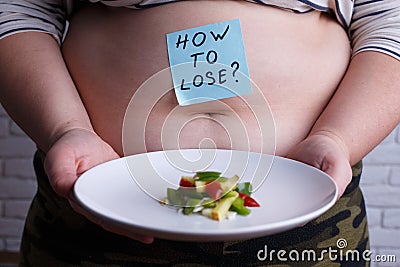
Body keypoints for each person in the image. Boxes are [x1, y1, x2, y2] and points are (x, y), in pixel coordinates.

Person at [0, 0, 399, 266]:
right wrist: (65, 129)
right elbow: (18, 10)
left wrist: (338, 138)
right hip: (94, 212)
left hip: (307, 221)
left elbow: (390, 21)